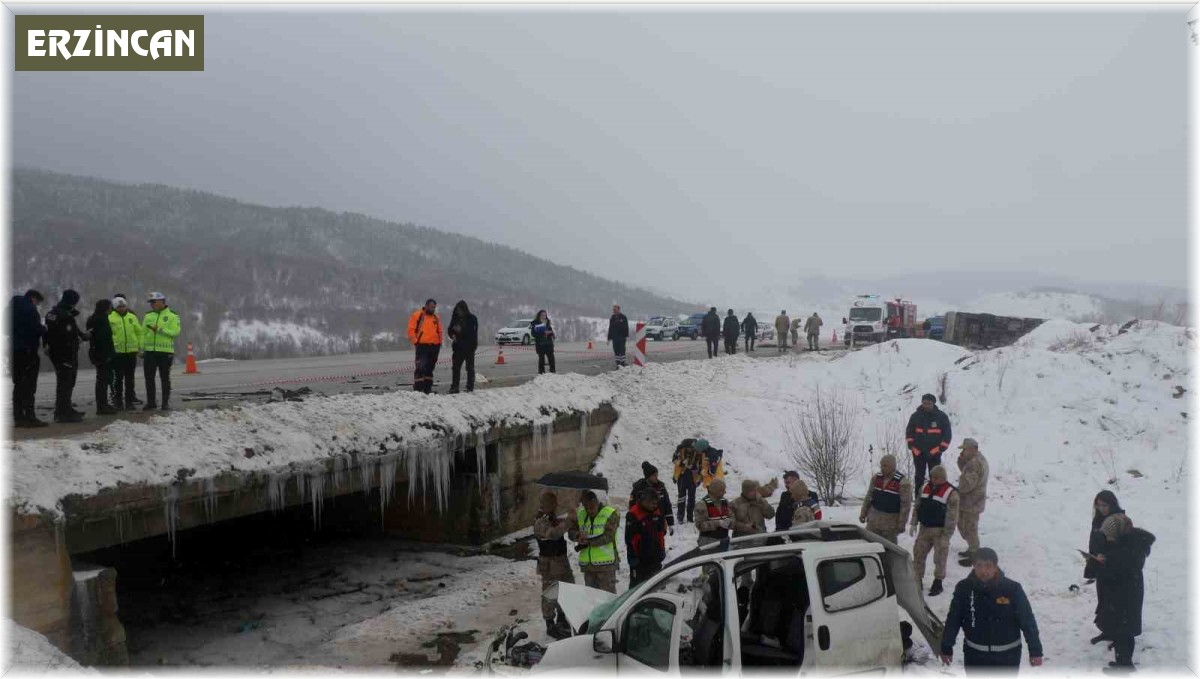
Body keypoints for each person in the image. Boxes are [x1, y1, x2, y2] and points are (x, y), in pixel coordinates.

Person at [940, 548, 1044, 673]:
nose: (984, 571)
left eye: (988, 566)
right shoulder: (964, 588)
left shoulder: (1012, 589)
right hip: (975, 657)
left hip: (1007, 658)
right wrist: (946, 647)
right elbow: (953, 619)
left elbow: (1027, 621)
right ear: (974, 566)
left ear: (995, 567)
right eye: (979, 565)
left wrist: (1035, 651)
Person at [1092, 513, 1154, 672]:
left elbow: (1121, 569)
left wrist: (1104, 562)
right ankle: (1121, 662)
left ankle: (1125, 665)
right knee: (1121, 631)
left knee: (1125, 633)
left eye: (1110, 535)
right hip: (1123, 596)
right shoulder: (1127, 543)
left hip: (1126, 598)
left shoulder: (1131, 547)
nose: (1108, 538)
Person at [911, 465, 959, 596]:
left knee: (940, 558)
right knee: (918, 554)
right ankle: (917, 580)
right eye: (932, 477)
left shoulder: (951, 492)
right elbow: (918, 505)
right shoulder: (924, 487)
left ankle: (938, 582)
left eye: (936, 477)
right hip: (925, 529)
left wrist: (947, 534)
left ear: (943, 478)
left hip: (940, 531)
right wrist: (914, 522)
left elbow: (952, 516)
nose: (933, 479)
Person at [533, 491, 575, 639]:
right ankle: (550, 623)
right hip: (549, 564)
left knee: (566, 588)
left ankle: (562, 618)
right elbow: (553, 534)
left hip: (561, 560)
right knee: (550, 593)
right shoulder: (540, 521)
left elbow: (562, 530)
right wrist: (568, 521)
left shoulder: (553, 518)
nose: (555, 506)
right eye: (552, 503)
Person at [1086, 490, 1126, 644]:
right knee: (1103, 601)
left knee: (1115, 603)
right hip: (1101, 566)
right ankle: (1107, 631)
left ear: (1112, 504)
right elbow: (1094, 540)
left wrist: (1108, 557)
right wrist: (1093, 556)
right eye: (1098, 505)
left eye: (1104, 505)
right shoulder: (1097, 520)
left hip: (1115, 569)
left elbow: (1124, 546)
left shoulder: (1118, 520)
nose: (1101, 508)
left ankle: (1118, 635)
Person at [44, 289, 88, 423]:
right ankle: (63, 413)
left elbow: (49, 333)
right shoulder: (65, 315)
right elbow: (67, 336)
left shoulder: (53, 313)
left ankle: (65, 409)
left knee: (65, 383)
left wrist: (81, 336)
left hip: (56, 353)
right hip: (65, 354)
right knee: (66, 383)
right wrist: (79, 340)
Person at [567, 490, 620, 593]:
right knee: (592, 598)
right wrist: (577, 536)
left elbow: (609, 536)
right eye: (587, 508)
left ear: (597, 503)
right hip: (588, 567)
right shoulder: (581, 514)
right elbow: (571, 531)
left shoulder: (610, 513)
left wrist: (588, 542)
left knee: (608, 598)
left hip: (606, 566)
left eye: (592, 507)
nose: (590, 510)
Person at [10, 289, 47, 427]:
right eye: (37, 303)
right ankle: (30, 417)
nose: (37, 305)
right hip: (28, 352)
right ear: (34, 299)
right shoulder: (31, 310)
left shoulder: (10, 309)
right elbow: (35, 329)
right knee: (30, 385)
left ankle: (18, 417)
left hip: (14, 351)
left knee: (18, 385)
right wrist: (44, 329)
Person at [906, 393, 953, 500]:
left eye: (928, 403)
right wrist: (913, 447)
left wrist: (938, 450)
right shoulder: (915, 416)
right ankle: (918, 498)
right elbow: (909, 433)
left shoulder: (942, 417)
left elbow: (947, 437)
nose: (926, 405)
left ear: (933, 403)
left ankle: (934, 498)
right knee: (919, 477)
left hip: (934, 454)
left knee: (935, 478)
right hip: (919, 454)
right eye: (924, 403)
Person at [859, 454, 913, 544]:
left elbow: (905, 506)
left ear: (892, 466)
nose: (882, 468)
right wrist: (863, 513)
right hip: (873, 521)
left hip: (890, 524)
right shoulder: (876, 478)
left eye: (885, 466)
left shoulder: (903, 482)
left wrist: (901, 524)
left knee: (888, 550)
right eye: (881, 465)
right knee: (868, 545)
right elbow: (869, 496)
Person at [141, 292, 181, 411]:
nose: (151, 305)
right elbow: (143, 333)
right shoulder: (148, 316)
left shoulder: (173, 315)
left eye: (153, 302)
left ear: (161, 301)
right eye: (150, 303)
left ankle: (165, 403)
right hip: (150, 352)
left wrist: (159, 330)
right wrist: (142, 349)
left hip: (165, 352)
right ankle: (151, 402)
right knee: (149, 378)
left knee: (164, 378)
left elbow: (175, 332)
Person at [955, 438, 990, 566]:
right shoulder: (979, 459)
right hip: (975, 500)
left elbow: (968, 483)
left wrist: (956, 490)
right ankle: (972, 549)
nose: (963, 451)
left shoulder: (974, 463)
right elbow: (966, 472)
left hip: (970, 501)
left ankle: (974, 554)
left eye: (964, 449)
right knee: (969, 527)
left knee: (969, 528)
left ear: (972, 449)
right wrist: (962, 461)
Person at [625, 488, 669, 588]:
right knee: (637, 586)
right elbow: (630, 539)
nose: (654, 506)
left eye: (656, 503)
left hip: (655, 556)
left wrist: (662, 549)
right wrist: (632, 556)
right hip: (639, 559)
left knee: (655, 585)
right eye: (652, 503)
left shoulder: (657, 512)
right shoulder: (633, 514)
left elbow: (661, 534)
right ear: (644, 501)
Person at [85, 299, 118, 416]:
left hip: (96, 353)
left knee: (102, 380)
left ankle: (103, 404)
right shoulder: (102, 320)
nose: (111, 309)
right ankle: (102, 406)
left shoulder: (92, 319)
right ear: (105, 308)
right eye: (109, 307)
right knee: (103, 380)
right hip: (103, 354)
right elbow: (104, 339)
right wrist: (109, 355)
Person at [629, 462, 675, 536]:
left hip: (659, 524)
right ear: (648, 476)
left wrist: (670, 523)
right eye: (654, 475)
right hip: (644, 524)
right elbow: (632, 506)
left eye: (657, 475)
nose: (656, 477)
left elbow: (667, 505)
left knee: (659, 545)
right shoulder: (638, 489)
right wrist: (633, 523)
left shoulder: (661, 487)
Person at [407, 299, 442, 394]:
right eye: (431, 307)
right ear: (426, 306)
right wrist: (416, 342)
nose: (433, 309)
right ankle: (418, 389)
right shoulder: (417, 315)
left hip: (434, 346)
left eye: (434, 307)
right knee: (420, 367)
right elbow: (411, 330)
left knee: (430, 368)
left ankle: (428, 388)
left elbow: (440, 332)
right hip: (422, 345)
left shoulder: (436, 317)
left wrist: (439, 343)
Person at [672, 438, 708, 523]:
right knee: (681, 497)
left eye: (692, 448)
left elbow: (700, 465)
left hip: (693, 477)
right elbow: (674, 460)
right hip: (682, 475)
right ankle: (680, 516)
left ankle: (690, 517)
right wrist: (681, 463)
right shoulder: (680, 450)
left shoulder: (698, 451)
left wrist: (699, 476)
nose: (691, 449)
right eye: (690, 448)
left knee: (692, 497)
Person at [447, 300, 478, 394]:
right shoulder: (455, 318)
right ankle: (454, 387)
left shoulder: (472, 318)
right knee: (456, 368)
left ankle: (470, 386)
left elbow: (472, 334)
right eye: (457, 311)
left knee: (469, 368)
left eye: (460, 311)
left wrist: (460, 331)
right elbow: (450, 329)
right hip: (458, 347)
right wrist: (452, 335)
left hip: (469, 347)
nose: (459, 312)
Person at [695, 479, 733, 547]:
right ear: (715, 491)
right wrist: (718, 523)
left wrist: (730, 521)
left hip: (724, 540)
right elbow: (700, 525)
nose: (725, 492)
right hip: (708, 542)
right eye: (722, 490)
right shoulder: (702, 504)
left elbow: (732, 516)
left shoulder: (725, 502)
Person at [530, 310, 556, 374]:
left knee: (552, 359)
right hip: (540, 344)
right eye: (542, 315)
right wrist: (542, 333)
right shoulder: (535, 323)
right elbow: (533, 334)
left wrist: (551, 333)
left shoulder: (548, 322)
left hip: (549, 343)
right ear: (539, 315)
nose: (544, 316)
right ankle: (541, 373)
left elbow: (551, 331)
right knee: (541, 360)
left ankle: (553, 372)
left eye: (545, 315)